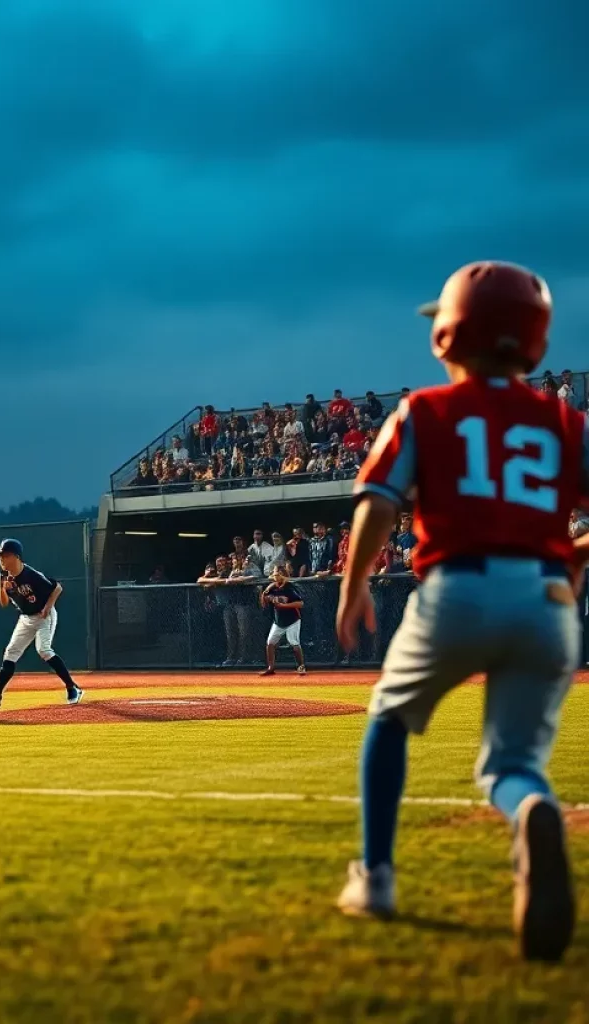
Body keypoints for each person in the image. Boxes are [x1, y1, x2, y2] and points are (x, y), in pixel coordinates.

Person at [334, 261, 585, 962]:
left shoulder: (425, 410)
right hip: (547, 599)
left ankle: (375, 880)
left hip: (458, 589)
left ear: (448, 335)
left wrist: (354, 589)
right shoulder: (566, 420)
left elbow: (379, 502)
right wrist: (580, 550)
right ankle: (531, 809)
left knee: (388, 717)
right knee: (511, 764)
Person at [0, 539, 83, 707]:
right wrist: (2, 587)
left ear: (16, 557)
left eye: (5, 555)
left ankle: (72, 687)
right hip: (26, 618)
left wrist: (48, 606)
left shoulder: (30, 574)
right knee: (11, 652)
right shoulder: (3, 576)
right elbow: (3, 603)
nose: (1, 559)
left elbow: (57, 587)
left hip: (43, 615)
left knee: (43, 649)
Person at [258, 565, 306, 676]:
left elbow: (300, 603)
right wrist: (265, 593)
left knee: (294, 642)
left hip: (292, 620)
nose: (275, 576)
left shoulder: (290, 587)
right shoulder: (272, 588)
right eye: (274, 574)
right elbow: (263, 604)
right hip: (278, 621)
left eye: (278, 574)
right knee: (270, 643)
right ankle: (271, 667)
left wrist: (284, 605)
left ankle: (301, 666)